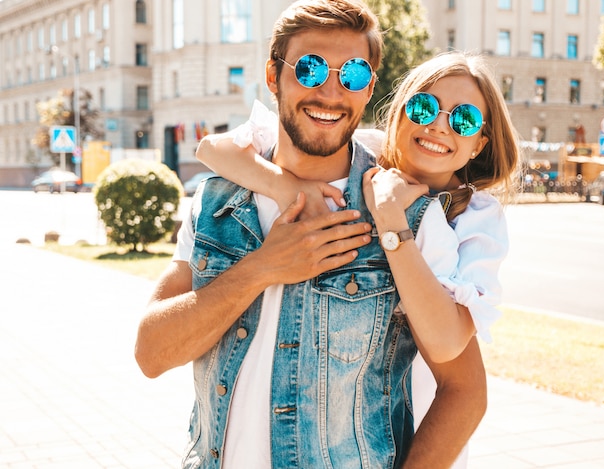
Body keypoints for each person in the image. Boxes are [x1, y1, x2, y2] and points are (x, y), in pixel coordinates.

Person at [135, 1, 488, 468]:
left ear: (369, 92)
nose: (330, 91)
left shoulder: (405, 218)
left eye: (354, 75)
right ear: (272, 75)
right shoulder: (215, 199)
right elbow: (151, 353)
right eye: (310, 68)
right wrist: (262, 268)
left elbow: (464, 391)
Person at [196, 51, 520, 466]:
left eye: (464, 120)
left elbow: (447, 348)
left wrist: (390, 219)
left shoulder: (474, 220)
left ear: (479, 143)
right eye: (424, 107)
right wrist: (288, 187)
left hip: (421, 446)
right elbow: (213, 149)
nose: (439, 125)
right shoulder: (361, 151)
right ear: (399, 112)